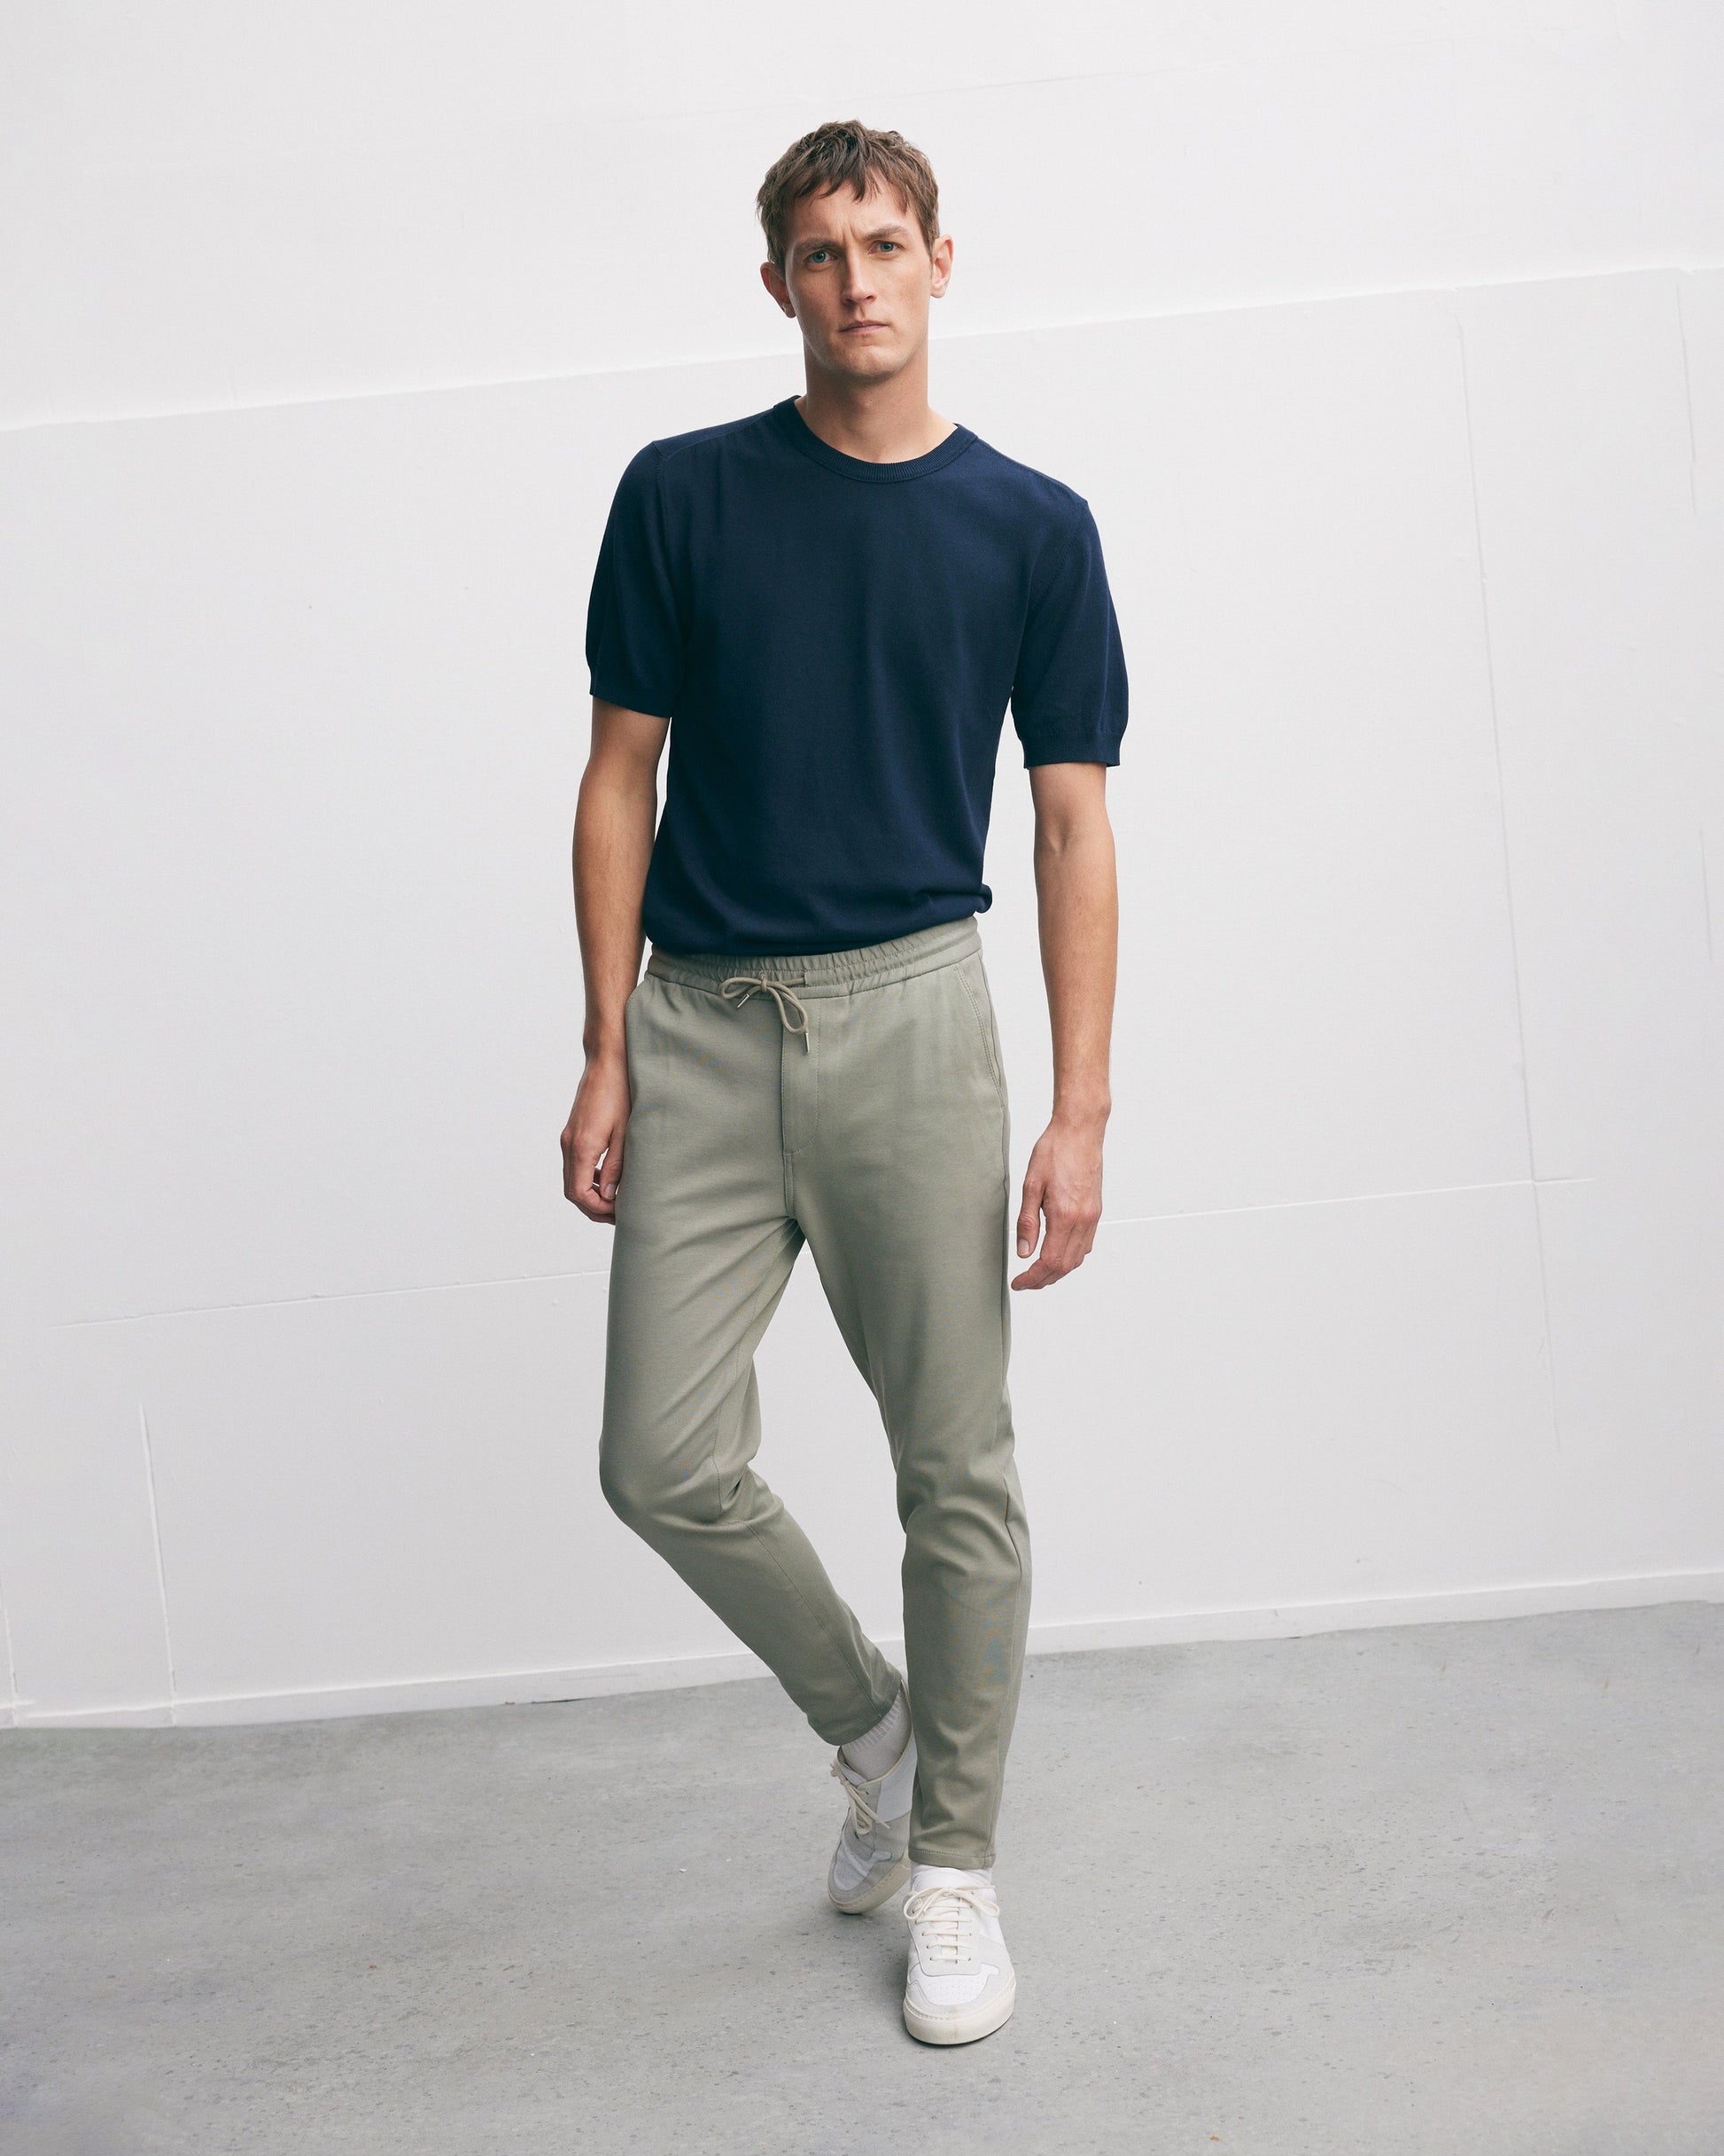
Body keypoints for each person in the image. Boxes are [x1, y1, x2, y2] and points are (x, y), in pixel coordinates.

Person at [561, 119, 1126, 2046]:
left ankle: (952, 1860)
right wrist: (605, 1041)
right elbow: (617, 776)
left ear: (939, 263)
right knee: (658, 1459)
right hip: (703, 1025)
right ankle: (877, 1732)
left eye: (884, 244)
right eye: (820, 251)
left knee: (953, 1465)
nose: (855, 280)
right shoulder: (682, 494)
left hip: (912, 1021)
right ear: (777, 283)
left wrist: (1078, 1109)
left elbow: (1070, 824)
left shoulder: (1031, 525)